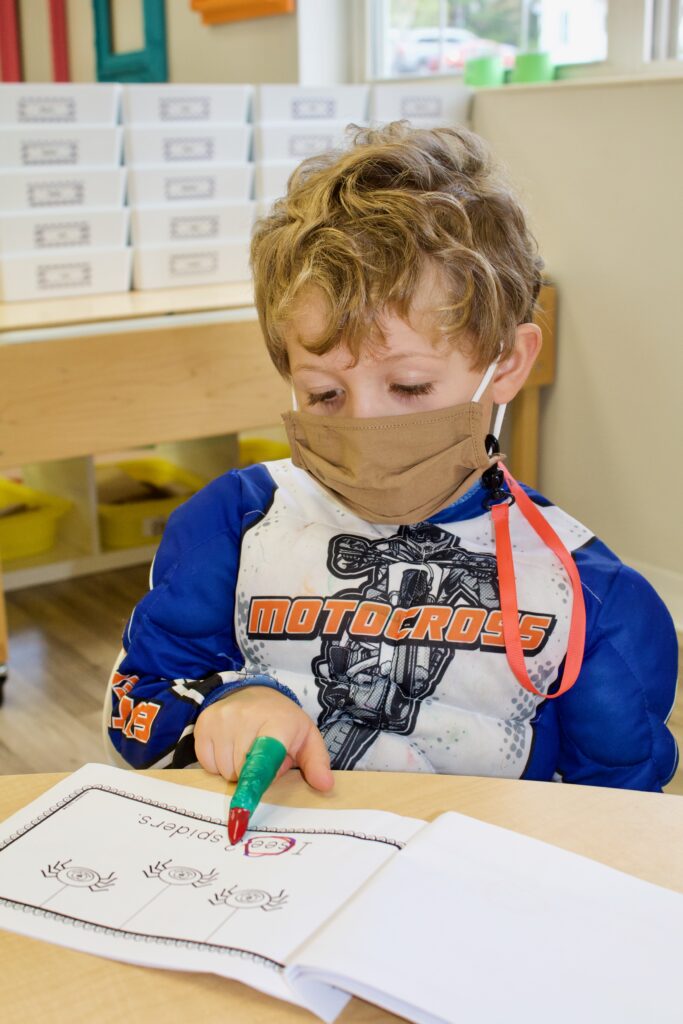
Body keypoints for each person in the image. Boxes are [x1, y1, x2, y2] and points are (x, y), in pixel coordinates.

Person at [106, 122, 678, 793]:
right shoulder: (234, 525)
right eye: (324, 393)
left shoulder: (587, 596)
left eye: (409, 386)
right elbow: (139, 703)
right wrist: (225, 704)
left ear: (505, 364)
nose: (364, 426)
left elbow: (614, 813)